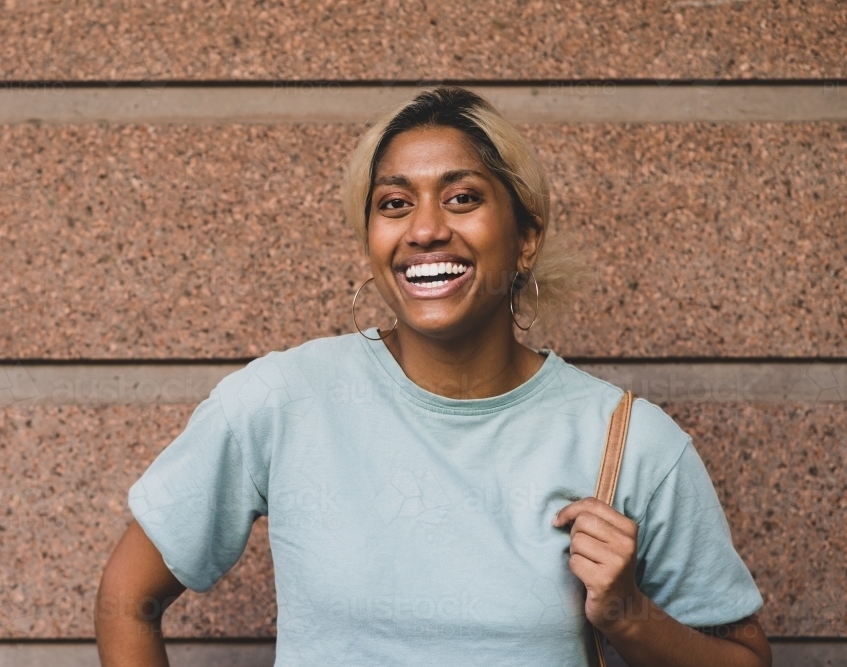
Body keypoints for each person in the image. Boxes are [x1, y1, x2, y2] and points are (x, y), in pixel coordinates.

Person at [95, 86, 771, 667]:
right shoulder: (285, 400)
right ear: (370, 242)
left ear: (526, 237)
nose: (425, 228)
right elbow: (127, 599)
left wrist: (629, 616)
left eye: (462, 197)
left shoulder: (629, 442)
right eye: (394, 203)